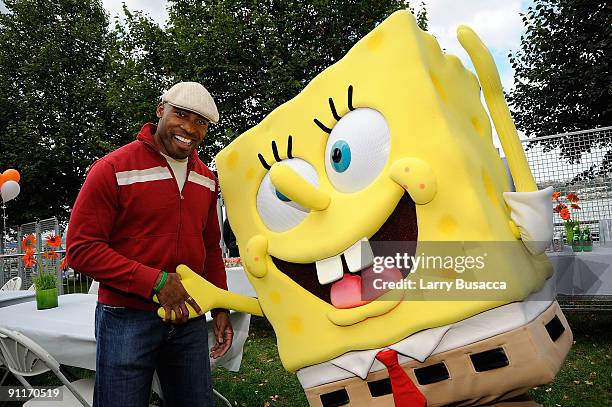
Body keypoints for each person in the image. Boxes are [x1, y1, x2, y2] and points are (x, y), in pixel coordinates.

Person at [67, 82, 233, 407]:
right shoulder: (112, 168)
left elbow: (211, 248)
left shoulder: (206, 178)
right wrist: (156, 281)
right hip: (126, 318)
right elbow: (81, 249)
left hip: (189, 316)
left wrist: (222, 307)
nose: (189, 127)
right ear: (161, 110)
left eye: (200, 121)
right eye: (181, 114)